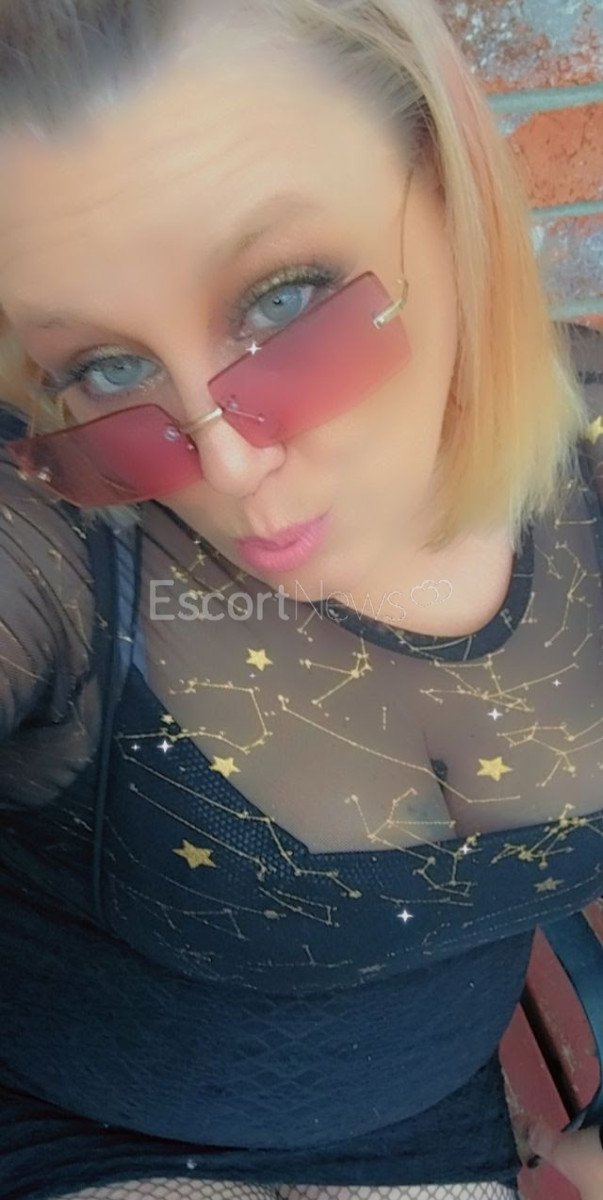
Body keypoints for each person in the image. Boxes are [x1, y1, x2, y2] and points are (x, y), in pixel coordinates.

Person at [0, 2, 601, 1199]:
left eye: (284, 300)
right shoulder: (57, 523)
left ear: (450, 195)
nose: (222, 464)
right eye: (108, 368)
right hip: (77, 1123)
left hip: (429, 1120)